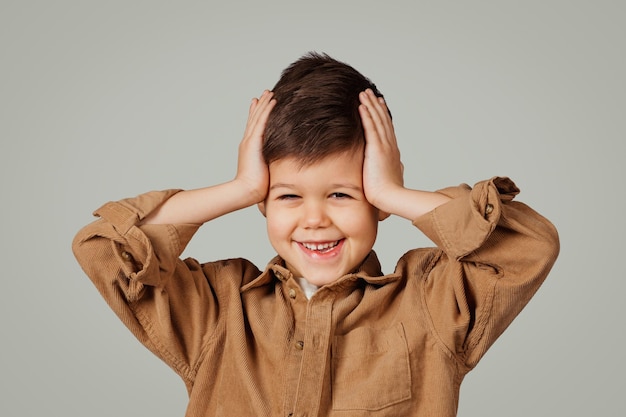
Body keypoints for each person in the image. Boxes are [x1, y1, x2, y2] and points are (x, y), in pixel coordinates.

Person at [72, 52, 559, 416]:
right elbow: (105, 249)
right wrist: (239, 187)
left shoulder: (431, 302)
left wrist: (395, 192)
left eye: (342, 195)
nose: (315, 219)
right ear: (261, 202)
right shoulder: (218, 310)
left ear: (376, 199)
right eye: (288, 196)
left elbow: (527, 245)